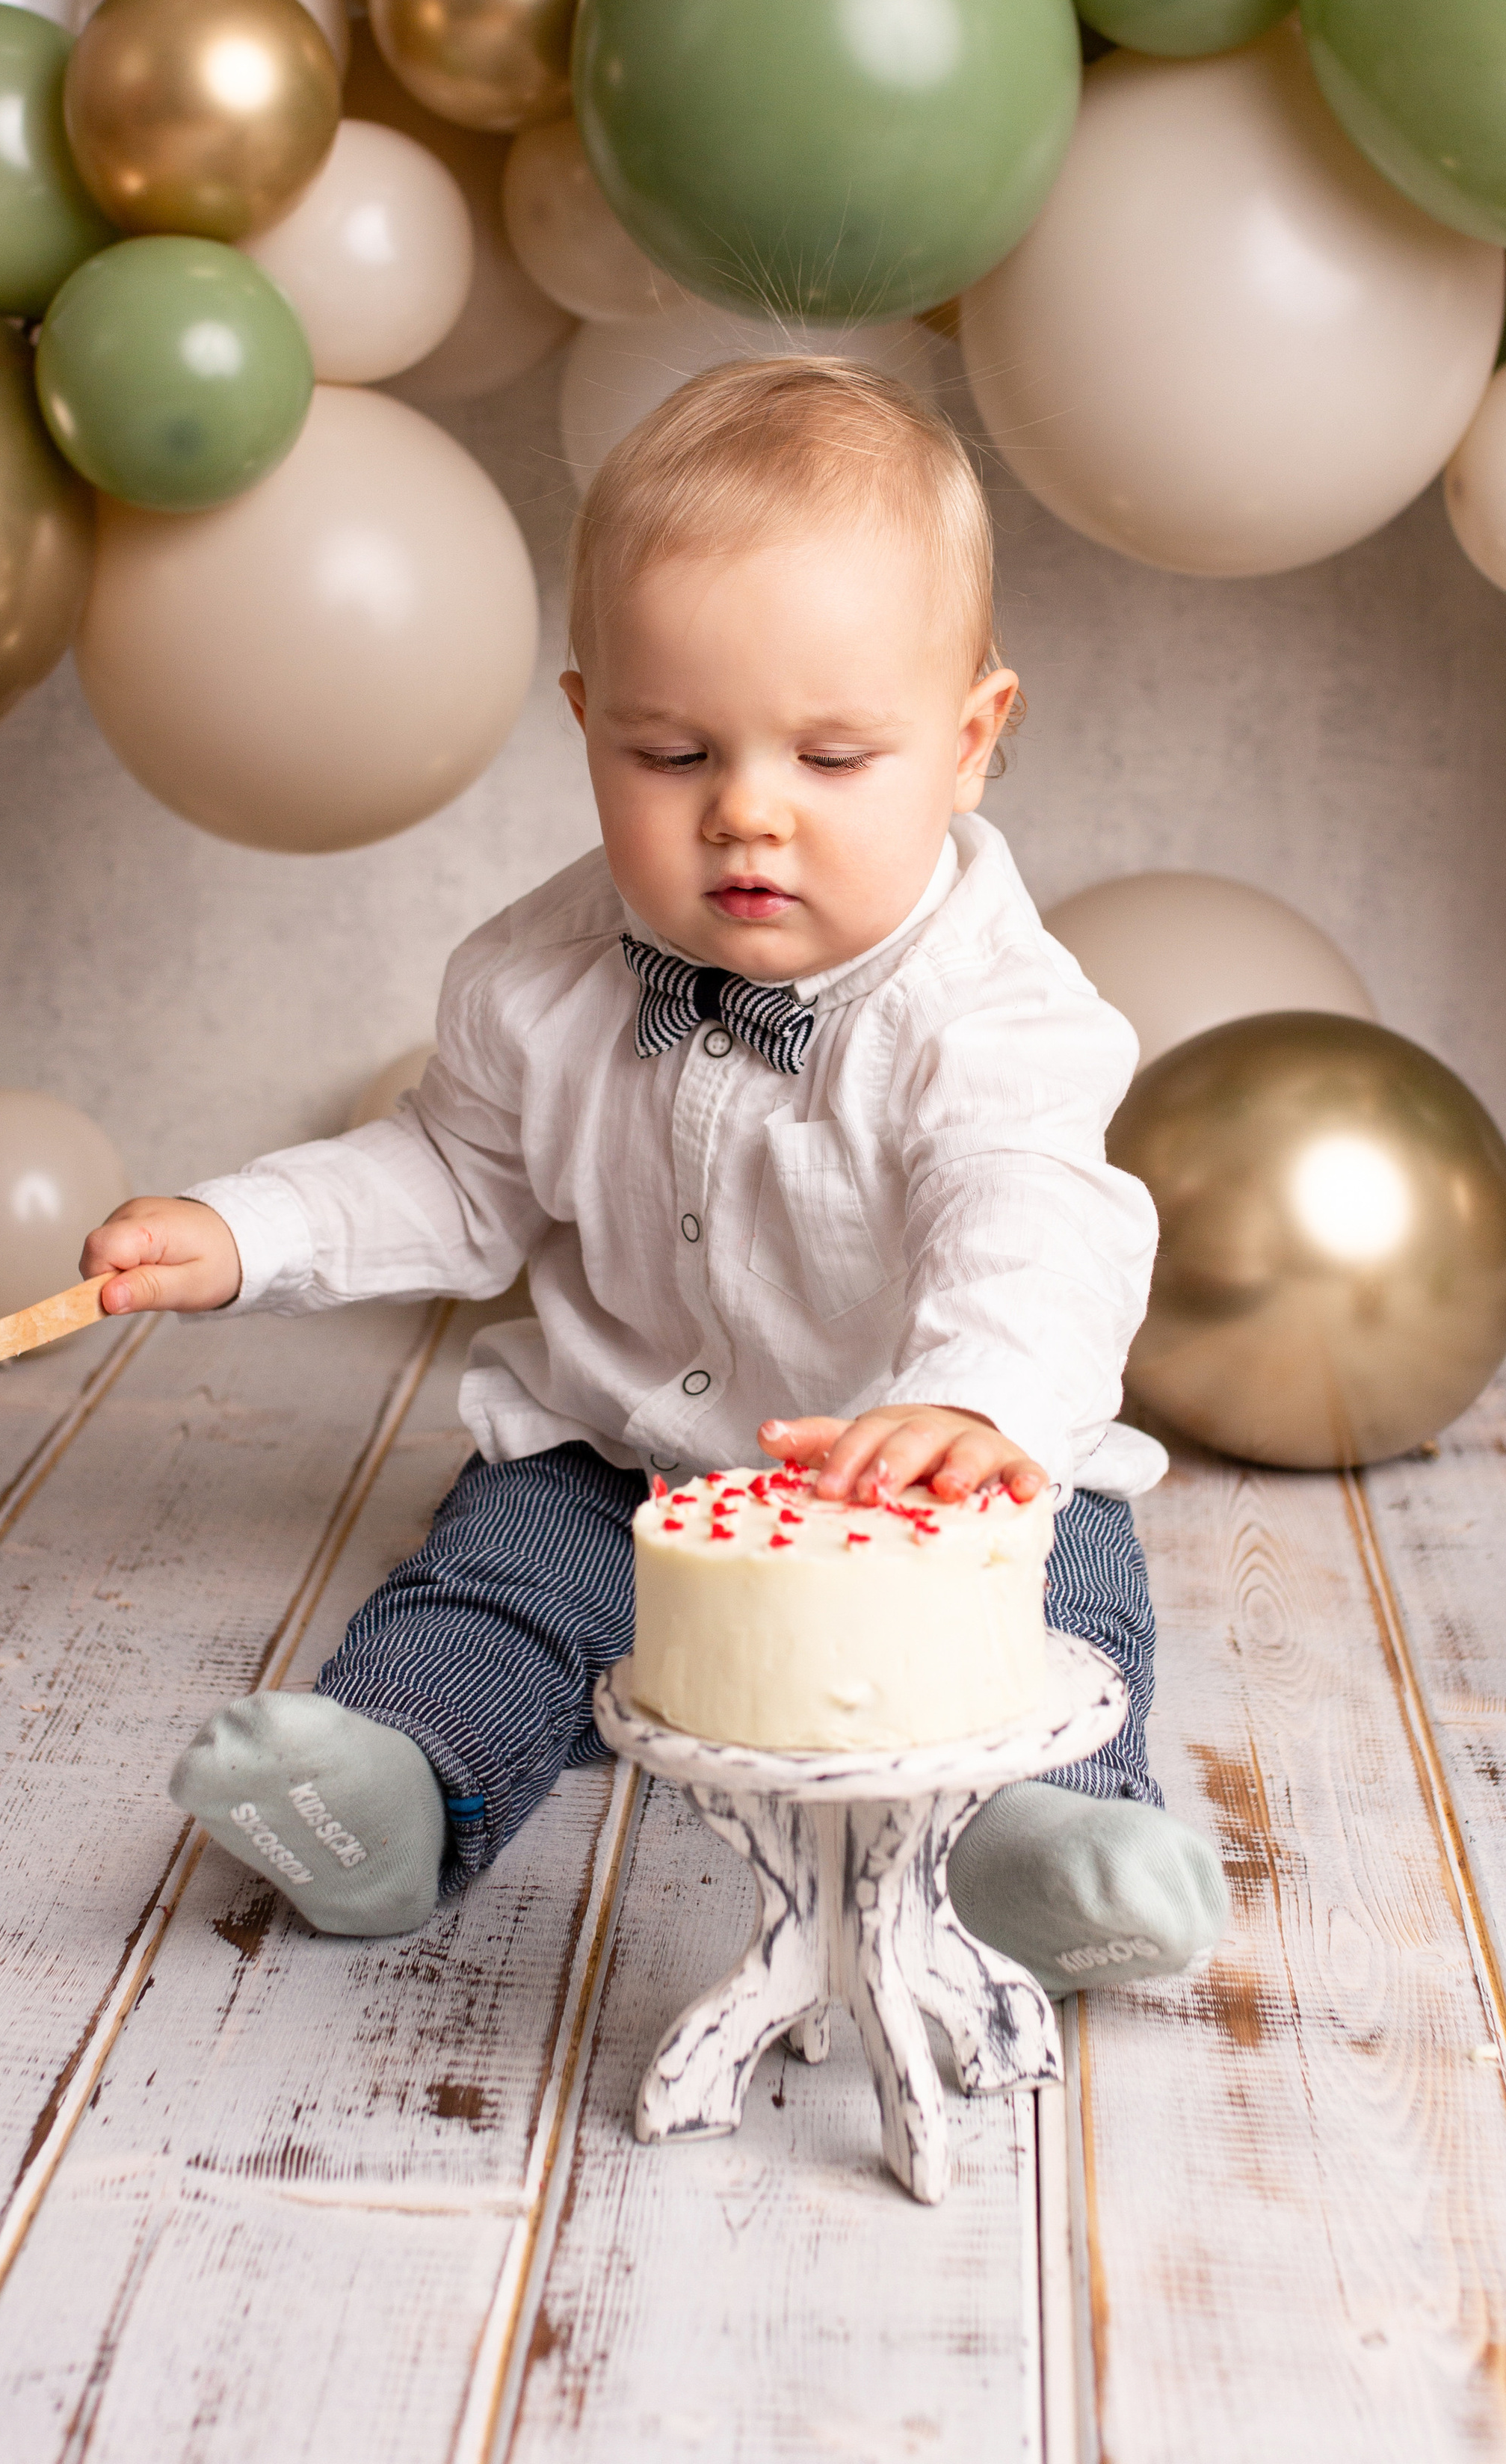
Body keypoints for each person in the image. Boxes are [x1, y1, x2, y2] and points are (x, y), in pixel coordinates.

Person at [81, 357, 1227, 1997]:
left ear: (970, 741)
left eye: (833, 759)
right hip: (627, 1466)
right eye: (674, 753)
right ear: (585, 727)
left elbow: (1030, 1215)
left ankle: (1039, 1845)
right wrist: (244, 1230)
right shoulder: (536, 977)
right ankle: (396, 1790)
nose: (746, 815)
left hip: (919, 1488)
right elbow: (449, 1173)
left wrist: (973, 1403)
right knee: (494, 1587)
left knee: (1060, 1604)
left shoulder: (991, 1011)